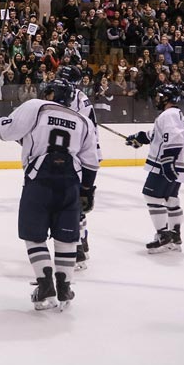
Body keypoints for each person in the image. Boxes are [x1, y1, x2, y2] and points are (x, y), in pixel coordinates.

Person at [0, 78, 99, 310]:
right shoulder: (82, 121)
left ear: (53, 93)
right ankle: (64, 286)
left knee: (34, 235)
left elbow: (6, 131)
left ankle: (45, 285)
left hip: (39, 181)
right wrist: (87, 191)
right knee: (66, 236)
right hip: (70, 183)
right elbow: (91, 163)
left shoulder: (37, 106)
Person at [125, 84, 184, 253]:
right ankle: (174, 236)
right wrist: (139, 138)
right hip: (177, 165)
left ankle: (163, 235)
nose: (157, 99)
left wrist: (167, 163)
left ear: (167, 97)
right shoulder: (174, 114)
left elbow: (174, 138)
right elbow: (157, 136)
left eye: (160, 96)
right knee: (171, 199)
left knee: (151, 196)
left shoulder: (169, 115)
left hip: (164, 165)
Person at [58, 65, 100, 270]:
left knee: (74, 203)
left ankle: (78, 246)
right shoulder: (73, 97)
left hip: (81, 156)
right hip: (81, 154)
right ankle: (80, 242)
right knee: (75, 203)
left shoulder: (79, 100)